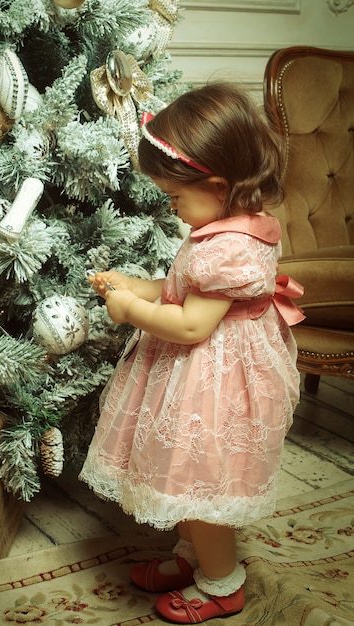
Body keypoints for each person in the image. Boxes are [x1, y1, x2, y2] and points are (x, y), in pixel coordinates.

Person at [79, 82, 304, 624]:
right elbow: (183, 290)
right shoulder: (224, 225)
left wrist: (129, 310)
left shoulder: (227, 247)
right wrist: (136, 284)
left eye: (175, 197)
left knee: (201, 482)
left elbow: (190, 324)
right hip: (201, 375)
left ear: (219, 184)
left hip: (215, 382)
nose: (174, 209)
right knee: (181, 474)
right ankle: (194, 558)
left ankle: (223, 584)